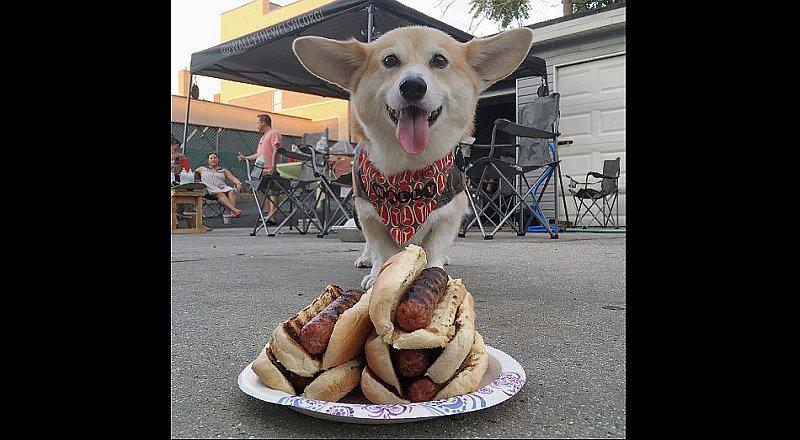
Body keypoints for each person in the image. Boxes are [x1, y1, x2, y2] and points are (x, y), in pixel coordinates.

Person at [238, 114, 282, 222]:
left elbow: (276, 150)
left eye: (257, 123)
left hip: (270, 169)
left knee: (273, 192)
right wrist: (246, 158)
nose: (256, 125)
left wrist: (273, 167)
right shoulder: (263, 137)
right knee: (263, 192)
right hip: (260, 169)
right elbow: (259, 154)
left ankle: (272, 216)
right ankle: (268, 214)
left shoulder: (274, 133)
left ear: (263, 123)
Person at [195, 152, 243, 217]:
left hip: (222, 187)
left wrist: (238, 183)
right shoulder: (202, 168)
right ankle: (234, 210)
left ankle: (232, 212)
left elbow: (233, 178)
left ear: (218, 160)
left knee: (231, 191)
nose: (213, 159)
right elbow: (195, 173)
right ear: (208, 161)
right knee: (220, 194)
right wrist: (198, 182)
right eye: (211, 158)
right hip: (208, 189)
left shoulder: (223, 170)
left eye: (215, 158)